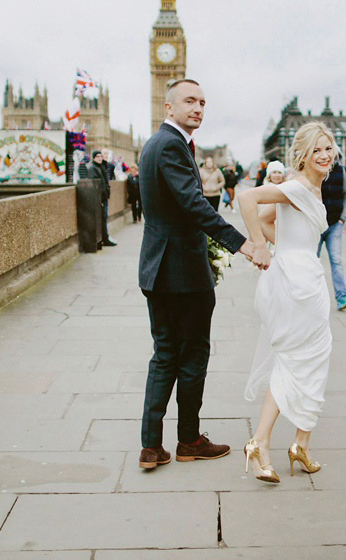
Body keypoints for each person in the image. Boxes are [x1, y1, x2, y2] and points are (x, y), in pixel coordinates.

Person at [136, 79, 269, 470]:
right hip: (183, 273)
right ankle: (190, 440)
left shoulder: (154, 145)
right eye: (190, 101)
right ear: (168, 107)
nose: (198, 108)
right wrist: (242, 244)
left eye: (203, 103)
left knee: (164, 355)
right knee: (192, 355)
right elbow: (194, 204)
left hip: (155, 269)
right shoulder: (171, 145)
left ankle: (151, 446)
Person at [237, 121, 335, 484]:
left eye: (328, 148)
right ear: (304, 155)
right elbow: (248, 199)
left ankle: (295, 445)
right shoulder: (300, 186)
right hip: (300, 284)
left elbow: (265, 218)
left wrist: (285, 247)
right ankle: (267, 442)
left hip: (298, 273)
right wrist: (260, 246)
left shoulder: (306, 187)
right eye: (317, 150)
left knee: (306, 359)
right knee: (302, 360)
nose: (324, 155)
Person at [319, 147, 346, 311]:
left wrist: (342, 219)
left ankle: (341, 298)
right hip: (317, 225)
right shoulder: (316, 170)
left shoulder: (341, 171)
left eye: (332, 154)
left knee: (336, 260)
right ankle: (312, 298)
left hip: (334, 225)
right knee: (312, 260)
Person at [87, 150, 116, 247]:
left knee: (104, 218)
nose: (100, 158)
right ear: (94, 157)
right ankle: (102, 240)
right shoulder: (92, 168)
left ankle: (104, 238)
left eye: (101, 156)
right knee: (101, 219)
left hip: (103, 198)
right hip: (99, 199)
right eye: (98, 156)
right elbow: (95, 185)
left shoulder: (100, 166)